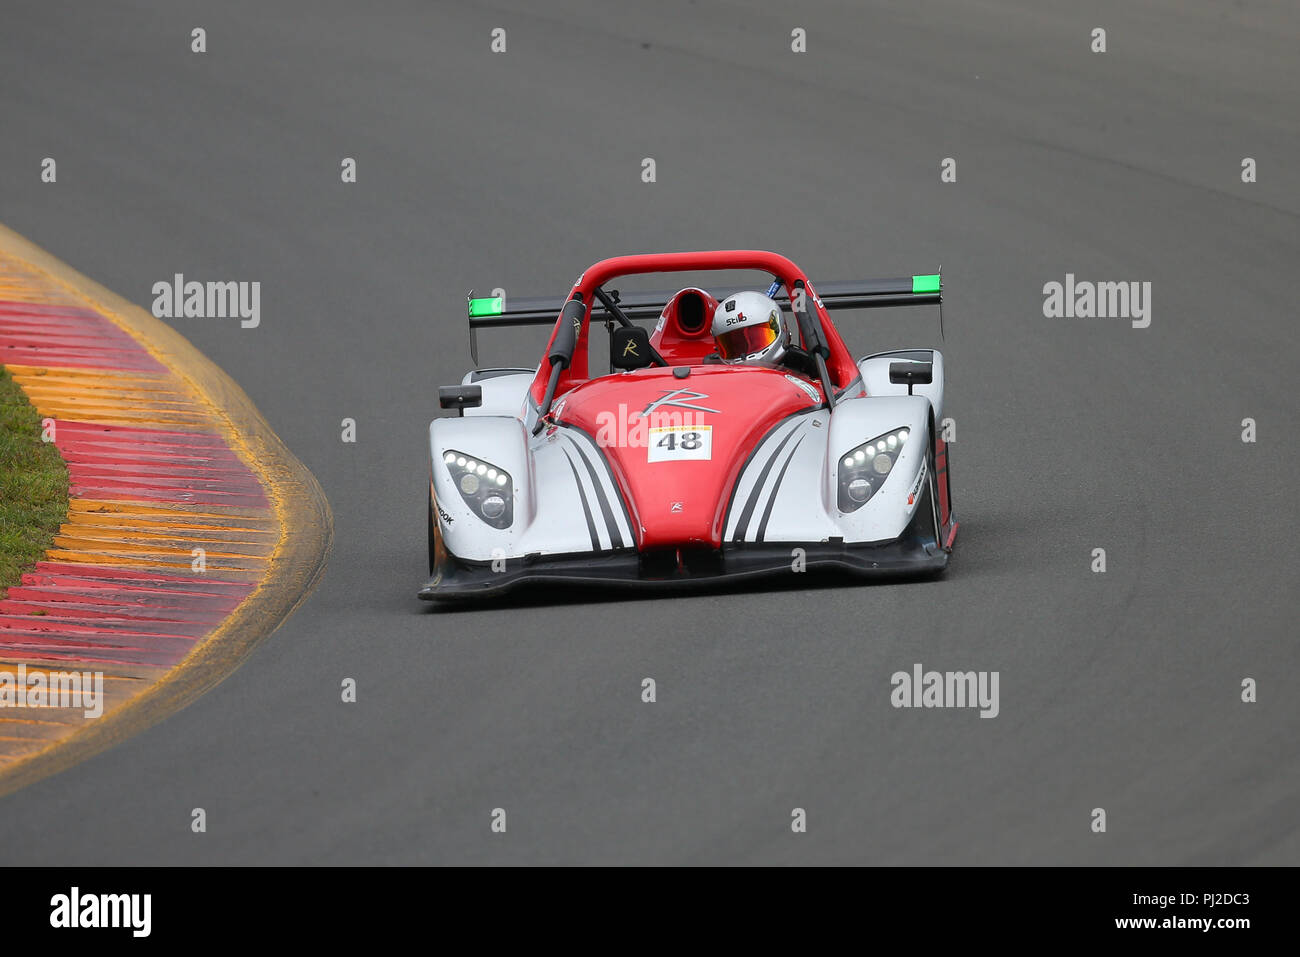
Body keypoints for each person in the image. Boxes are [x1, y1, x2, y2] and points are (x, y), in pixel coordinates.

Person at [710, 290, 794, 367]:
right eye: (736, 346)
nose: (744, 356)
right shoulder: (713, 374)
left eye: (757, 338)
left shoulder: (802, 367)